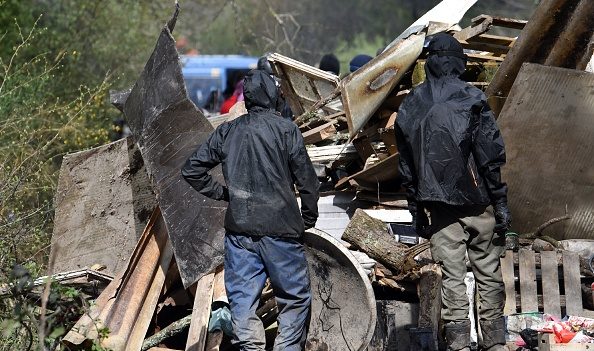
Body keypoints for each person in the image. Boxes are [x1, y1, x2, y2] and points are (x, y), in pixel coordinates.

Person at [181, 69, 320, 351]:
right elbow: (307, 179)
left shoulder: (228, 130)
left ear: (248, 99)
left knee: (243, 300)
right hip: (281, 230)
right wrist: (308, 215)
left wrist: (223, 194)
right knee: (293, 298)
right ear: (273, 96)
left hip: (240, 232)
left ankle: (252, 347)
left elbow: (192, 170)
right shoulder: (286, 129)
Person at [395, 33, 511, 351]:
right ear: (458, 63)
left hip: (439, 206)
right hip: (480, 201)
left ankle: (458, 344)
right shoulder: (473, 97)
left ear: (430, 63)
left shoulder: (411, 104)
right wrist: (500, 201)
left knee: (452, 276)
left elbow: (406, 166)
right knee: (488, 271)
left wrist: (416, 210)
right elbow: (490, 155)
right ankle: (495, 343)